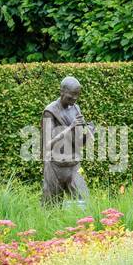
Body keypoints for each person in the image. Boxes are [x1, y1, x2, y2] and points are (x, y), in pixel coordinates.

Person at [40, 76, 93, 206]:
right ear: (62, 92)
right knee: (51, 208)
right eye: (70, 97)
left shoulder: (75, 108)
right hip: (54, 166)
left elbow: (79, 143)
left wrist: (89, 132)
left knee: (85, 204)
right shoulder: (50, 111)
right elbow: (47, 145)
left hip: (73, 165)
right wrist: (70, 127)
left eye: (77, 97)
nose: (74, 100)